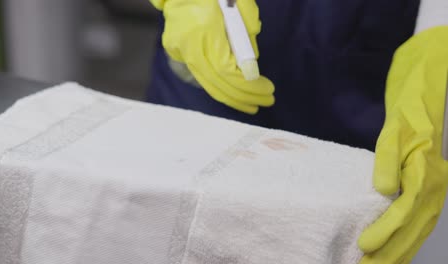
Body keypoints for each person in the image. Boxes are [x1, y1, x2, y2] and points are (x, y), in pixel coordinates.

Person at [146, 0, 448, 263]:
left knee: (341, 226)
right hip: (211, 48)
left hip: (365, 56)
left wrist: (438, 38)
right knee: (171, 221)